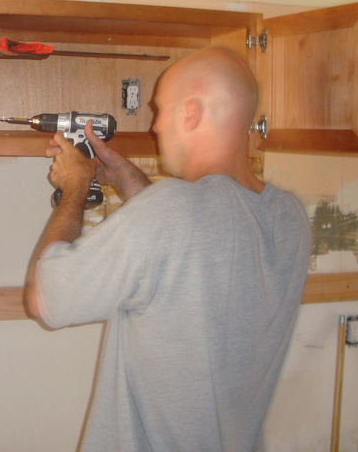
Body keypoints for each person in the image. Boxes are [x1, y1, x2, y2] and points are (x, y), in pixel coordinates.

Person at [26, 47, 311, 452]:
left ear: (191, 113)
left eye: (160, 109)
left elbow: (44, 299)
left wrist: (74, 188)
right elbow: (195, 243)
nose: (155, 125)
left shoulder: (172, 211)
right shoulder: (289, 217)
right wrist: (127, 178)